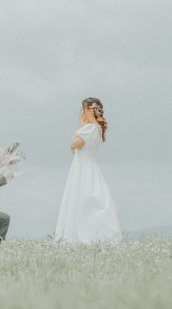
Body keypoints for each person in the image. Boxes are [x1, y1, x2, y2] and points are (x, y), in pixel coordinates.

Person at [54, 97, 122, 243]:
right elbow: (74, 150)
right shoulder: (96, 127)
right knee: (81, 200)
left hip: (83, 167)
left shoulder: (89, 127)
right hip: (85, 164)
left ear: (87, 110)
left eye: (81, 109)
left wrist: (79, 126)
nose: (79, 113)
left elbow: (73, 144)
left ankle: (80, 236)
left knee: (81, 200)